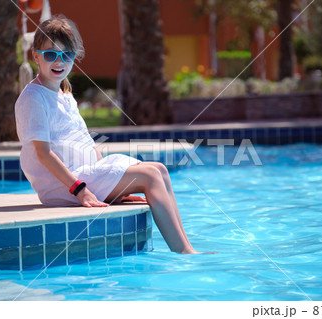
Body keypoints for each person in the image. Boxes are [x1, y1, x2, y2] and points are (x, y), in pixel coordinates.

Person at [15, 15, 197, 254]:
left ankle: (187, 246)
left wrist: (114, 188)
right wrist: (81, 190)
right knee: (150, 177)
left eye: (66, 55)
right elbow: (43, 154)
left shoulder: (65, 95)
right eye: (50, 54)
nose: (59, 61)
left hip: (84, 175)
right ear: (36, 56)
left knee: (160, 171)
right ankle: (184, 254)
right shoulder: (34, 98)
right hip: (62, 185)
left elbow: (86, 144)